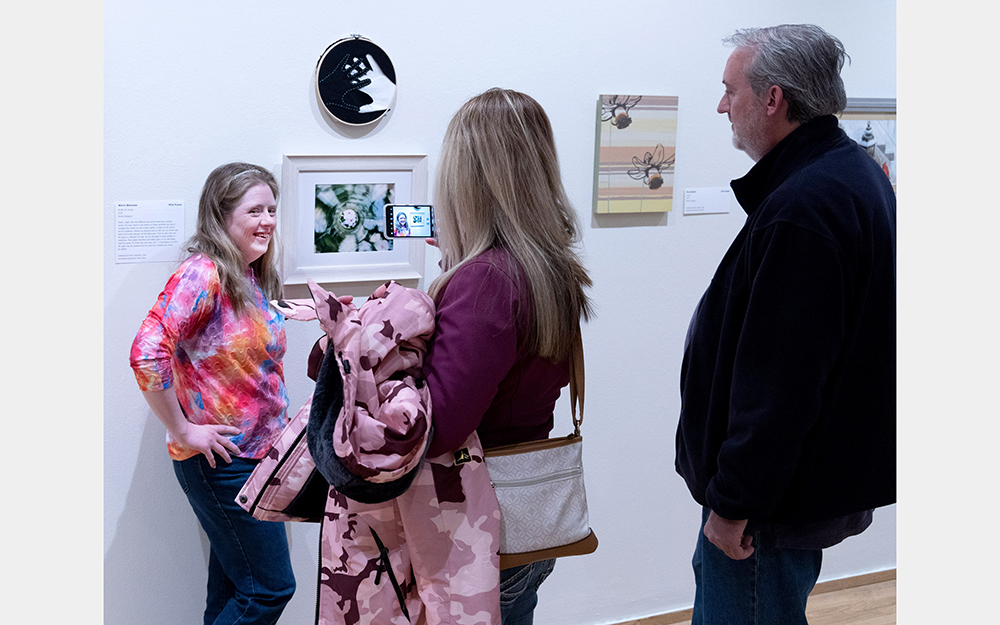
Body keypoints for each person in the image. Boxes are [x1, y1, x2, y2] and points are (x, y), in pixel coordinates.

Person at [674, 25, 896, 624]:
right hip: (790, 494)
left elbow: (782, 383)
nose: (722, 106)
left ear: (773, 99)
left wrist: (732, 505)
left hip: (767, 512)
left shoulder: (805, 205)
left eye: (730, 91)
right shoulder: (850, 175)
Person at [422, 88, 593, 625]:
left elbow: (440, 426)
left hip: (478, 517)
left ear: (465, 178)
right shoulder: (548, 267)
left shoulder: (487, 281)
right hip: (524, 512)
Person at [130, 162, 296, 625]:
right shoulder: (204, 273)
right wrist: (183, 429)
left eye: (272, 209)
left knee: (233, 590)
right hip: (222, 463)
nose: (268, 220)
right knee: (269, 590)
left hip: (256, 457)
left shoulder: (250, 274)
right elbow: (147, 352)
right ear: (221, 216)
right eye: (254, 210)